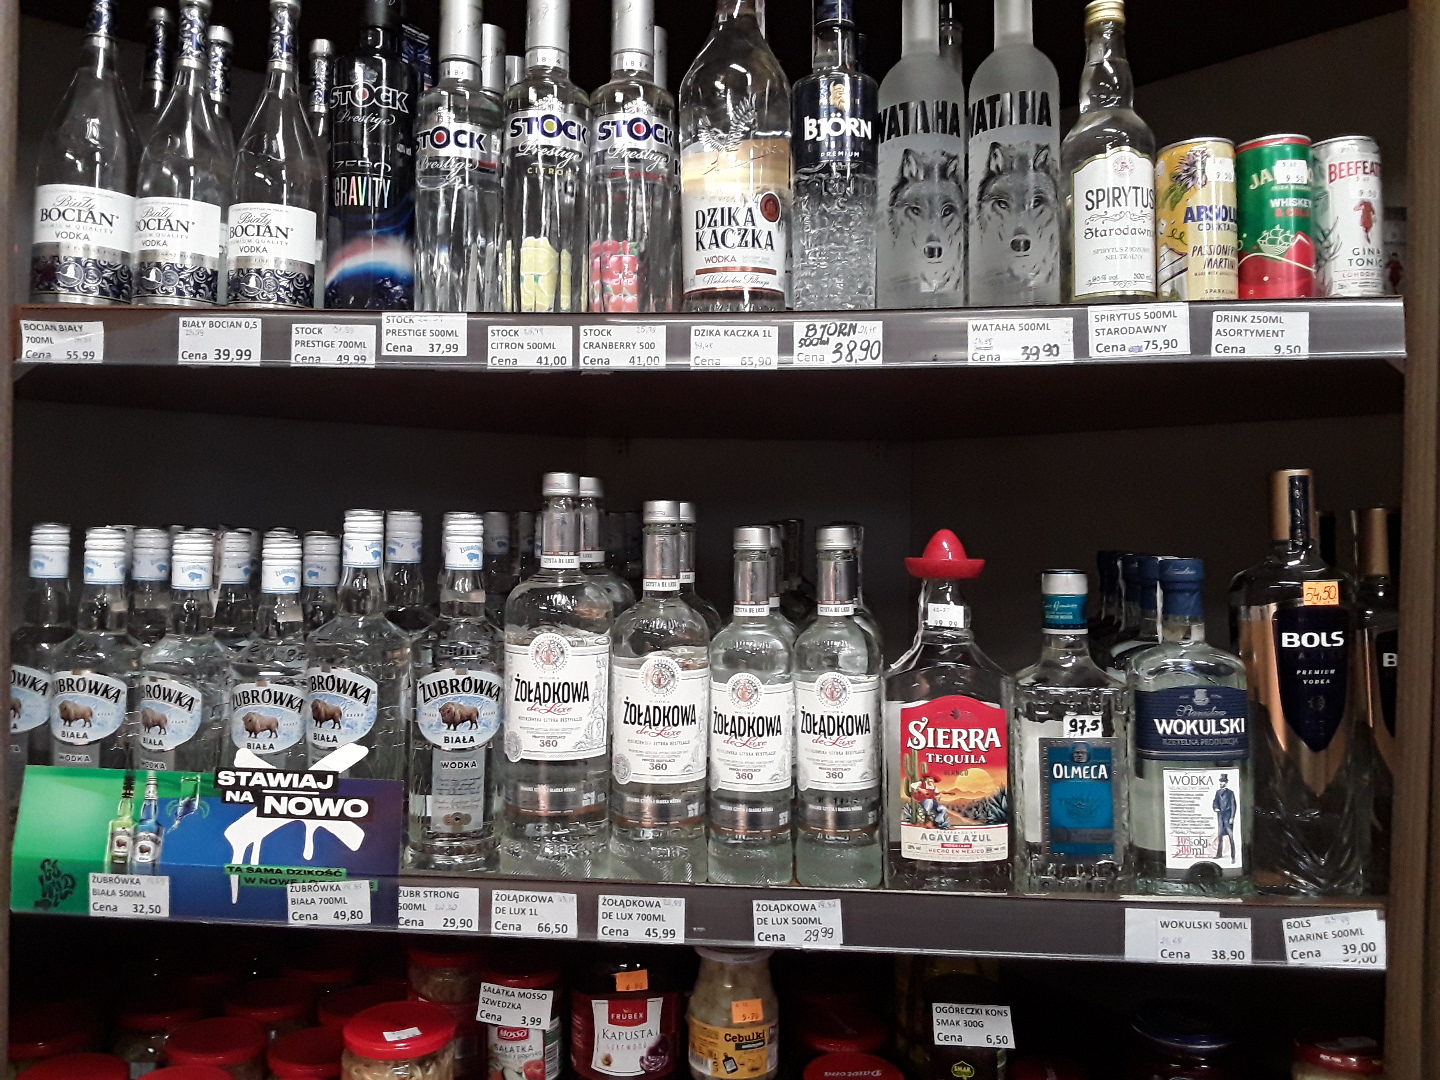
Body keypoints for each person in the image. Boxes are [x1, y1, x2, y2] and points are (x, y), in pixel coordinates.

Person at [1212, 773, 1237, 862]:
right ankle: (1219, 854)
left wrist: (1232, 817)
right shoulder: (1218, 792)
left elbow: (1233, 805)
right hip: (1220, 817)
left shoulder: (1230, 793)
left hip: (1228, 816)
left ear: (1226, 783)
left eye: (1223, 782)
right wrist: (1216, 808)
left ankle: (1233, 856)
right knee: (1219, 836)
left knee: (1231, 836)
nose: (1221, 783)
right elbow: (1215, 802)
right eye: (1220, 781)